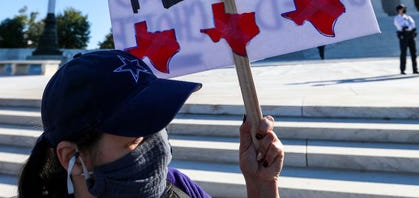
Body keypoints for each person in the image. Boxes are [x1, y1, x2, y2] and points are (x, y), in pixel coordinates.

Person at [18, 50, 284, 198]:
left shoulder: (179, 187)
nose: (159, 147)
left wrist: (261, 185)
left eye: (159, 124)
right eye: (135, 139)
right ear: (73, 157)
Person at [393, 4, 419, 75]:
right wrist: (406, 27)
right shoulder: (397, 18)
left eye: (404, 8)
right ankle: (402, 69)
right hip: (403, 35)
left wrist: (409, 28)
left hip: (410, 35)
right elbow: (399, 26)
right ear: (399, 10)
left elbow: (412, 24)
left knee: (414, 52)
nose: (403, 10)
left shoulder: (408, 17)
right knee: (403, 53)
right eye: (402, 9)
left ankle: (415, 69)